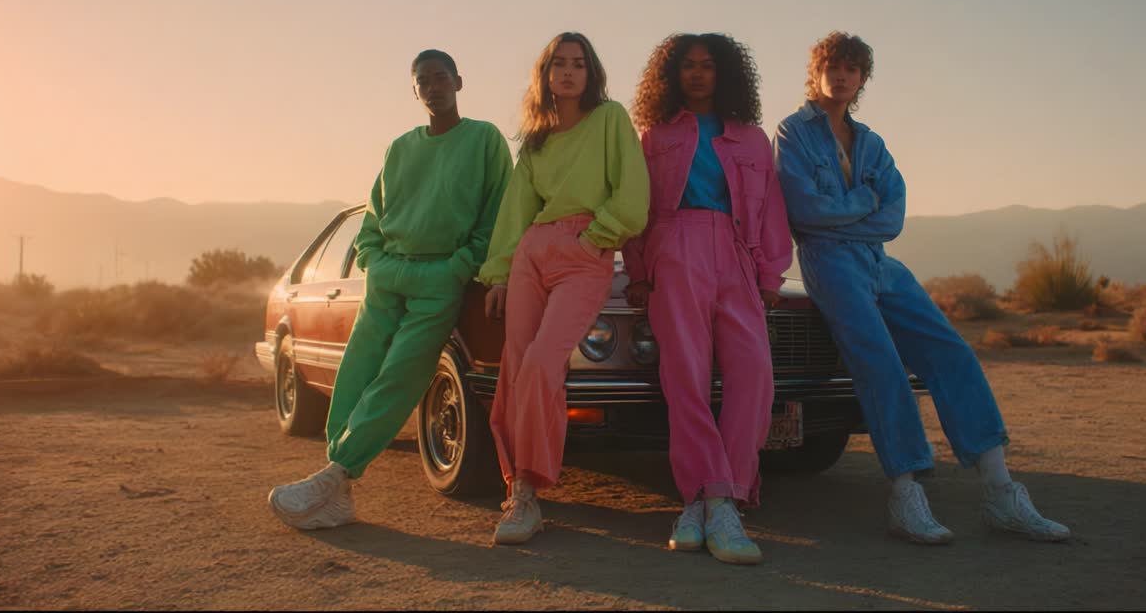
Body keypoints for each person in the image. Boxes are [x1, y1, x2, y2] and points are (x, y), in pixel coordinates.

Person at [773, 31, 1071, 544]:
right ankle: (906, 495)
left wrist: (849, 214)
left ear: (862, 78)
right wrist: (861, 204)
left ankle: (1001, 492)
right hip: (829, 265)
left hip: (880, 260)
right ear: (816, 71)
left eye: (852, 68)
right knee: (881, 365)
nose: (841, 75)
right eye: (833, 66)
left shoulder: (871, 142)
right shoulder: (792, 133)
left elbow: (893, 217)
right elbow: (804, 211)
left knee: (952, 352)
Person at [267, 50, 512, 530]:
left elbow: (498, 215)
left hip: (439, 279)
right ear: (414, 90)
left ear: (459, 82)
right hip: (386, 277)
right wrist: (374, 261)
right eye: (424, 80)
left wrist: (460, 266)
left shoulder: (484, 139)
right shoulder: (400, 148)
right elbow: (373, 220)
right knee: (355, 376)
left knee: (398, 378)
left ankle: (335, 475)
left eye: (441, 77)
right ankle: (338, 490)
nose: (433, 86)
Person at [622, 33, 791, 565]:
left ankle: (714, 497)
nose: (698, 74)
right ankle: (717, 502)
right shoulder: (652, 136)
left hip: (736, 254)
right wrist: (640, 269)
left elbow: (771, 214)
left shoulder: (753, 139)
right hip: (674, 250)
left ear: (726, 74)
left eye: (708, 66)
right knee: (686, 376)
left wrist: (770, 274)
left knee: (755, 375)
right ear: (672, 75)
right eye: (688, 66)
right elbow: (636, 208)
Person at [477, 32, 649, 546]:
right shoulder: (536, 138)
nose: (569, 72)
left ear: (590, 72)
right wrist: (500, 272)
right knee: (515, 366)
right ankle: (521, 492)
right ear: (546, 75)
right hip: (532, 253)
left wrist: (599, 235)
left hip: (584, 251)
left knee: (542, 364)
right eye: (559, 64)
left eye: (578, 64)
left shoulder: (611, 118)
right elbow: (516, 211)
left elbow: (634, 192)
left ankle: (532, 483)